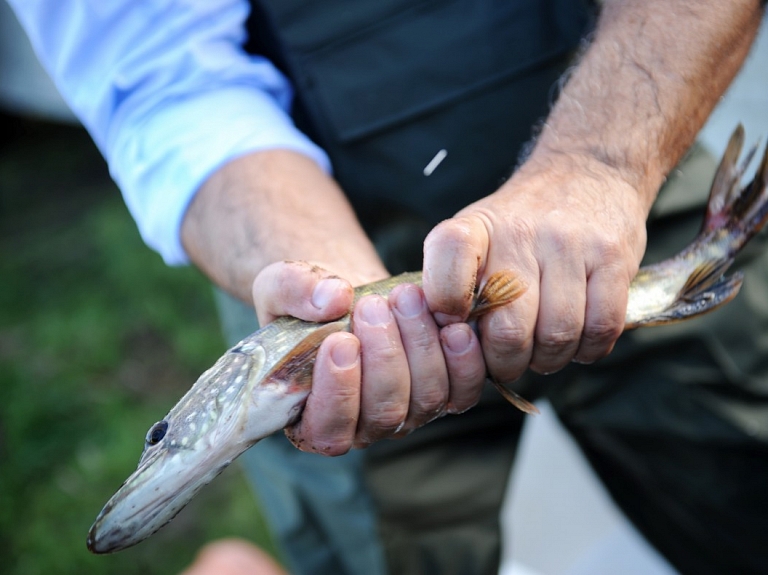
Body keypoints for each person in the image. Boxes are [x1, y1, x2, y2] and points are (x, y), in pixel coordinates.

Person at [8, 1, 768, 574]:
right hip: (303, 230)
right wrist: (322, 276)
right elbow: (160, 75)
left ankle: (707, 243)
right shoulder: (280, 365)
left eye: (164, 436)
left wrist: (601, 165)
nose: (167, 445)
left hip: (617, 134)